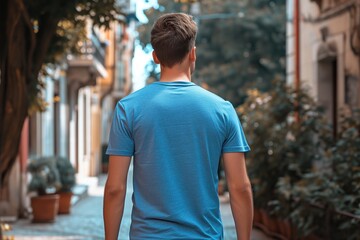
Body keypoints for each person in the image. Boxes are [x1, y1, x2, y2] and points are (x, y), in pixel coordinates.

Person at [103, 13, 253, 240]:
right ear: (193, 53)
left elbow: (115, 189)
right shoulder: (222, 110)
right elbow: (239, 187)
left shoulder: (128, 109)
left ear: (154, 57)